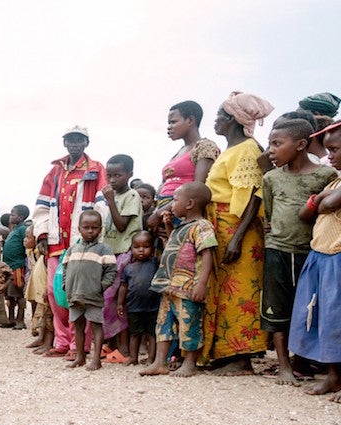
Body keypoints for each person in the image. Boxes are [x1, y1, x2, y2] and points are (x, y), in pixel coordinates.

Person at [261, 118, 337, 386]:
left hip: (313, 251)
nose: (270, 150)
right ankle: (284, 366)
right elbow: (269, 215)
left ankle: (303, 361)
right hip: (278, 249)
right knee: (277, 308)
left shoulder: (325, 176)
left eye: (277, 143)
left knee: (309, 307)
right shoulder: (270, 178)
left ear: (302, 145)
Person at [203, 91, 273, 375]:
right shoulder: (231, 150)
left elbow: (253, 196)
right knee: (223, 291)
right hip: (222, 224)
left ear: (233, 119)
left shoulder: (246, 149)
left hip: (236, 226)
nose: (216, 119)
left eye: (220, 114)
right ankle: (224, 353)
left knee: (240, 292)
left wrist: (237, 237)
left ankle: (241, 357)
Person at [32, 125, 108, 359]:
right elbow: (42, 206)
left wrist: (92, 236)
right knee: (55, 293)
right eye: (70, 140)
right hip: (57, 241)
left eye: (79, 140)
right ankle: (62, 341)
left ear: (86, 143)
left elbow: (101, 204)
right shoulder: (55, 171)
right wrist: (42, 234)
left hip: (81, 242)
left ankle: (79, 345)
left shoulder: (95, 169)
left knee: (81, 293)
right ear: (65, 143)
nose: (74, 144)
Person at [141, 182, 217, 377]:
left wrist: (201, 284)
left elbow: (207, 253)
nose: (172, 205)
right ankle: (160, 361)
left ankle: (190, 362)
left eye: (175, 200)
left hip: (188, 286)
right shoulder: (181, 226)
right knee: (164, 323)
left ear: (190, 203)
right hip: (169, 285)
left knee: (189, 323)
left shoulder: (202, 226)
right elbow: (172, 249)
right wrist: (167, 225)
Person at [289, 121, 341, 400]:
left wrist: (320, 199)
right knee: (325, 320)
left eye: (334, 149)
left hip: (338, 258)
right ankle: (333, 377)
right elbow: (304, 214)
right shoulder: (335, 181)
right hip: (322, 257)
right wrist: (322, 198)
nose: (329, 155)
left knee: (339, 319)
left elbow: (328, 205)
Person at [149, 101, 220, 236]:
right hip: (166, 213)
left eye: (173, 122)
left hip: (183, 213)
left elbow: (197, 189)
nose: (169, 127)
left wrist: (159, 214)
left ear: (190, 120)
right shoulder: (180, 151)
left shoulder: (205, 147)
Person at [61, 210, 117, 371]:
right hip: (75, 294)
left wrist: (101, 286)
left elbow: (112, 271)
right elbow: (65, 268)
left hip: (93, 296)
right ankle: (80, 357)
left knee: (96, 326)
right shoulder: (73, 249)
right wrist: (66, 285)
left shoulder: (104, 249)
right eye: (86, 227)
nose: (90, 231)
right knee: (78, 326)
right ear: (79, 228)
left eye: (94, 228)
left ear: (100, 230)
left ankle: (96, 360)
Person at [100, 154, 143, 355]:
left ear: (130, 174)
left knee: (116, 299)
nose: (112, 180)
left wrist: (110, 201)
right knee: (108, 298)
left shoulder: (131, 196)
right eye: (109, 175)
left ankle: (123, 348)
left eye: (117, 175)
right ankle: (113, 343)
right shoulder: (114, 197)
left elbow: (121, 225)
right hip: (111, 253)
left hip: (125, 253)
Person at [116, 231, 159, 366]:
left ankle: (151, 358)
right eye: (137, 247)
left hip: (153, 307)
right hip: (134, 307)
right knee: (135, 334)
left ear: (152, 248)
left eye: (145, 247)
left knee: (152, 334)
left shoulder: (155, 264)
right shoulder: (128, 268)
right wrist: (119, 303)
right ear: (131, 248)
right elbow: (123, 286)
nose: (141, 250)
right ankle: (133, 358)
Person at [2, 205, 30, 329]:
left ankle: (20, 320)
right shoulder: (14, 230)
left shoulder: (22, 229)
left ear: (21, 217)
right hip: (8, 267)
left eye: (13, 214)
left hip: (17, 266)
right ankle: (11, 318)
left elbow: (26, 245)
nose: (11, 216)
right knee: (9, 295)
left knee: (18, 294)